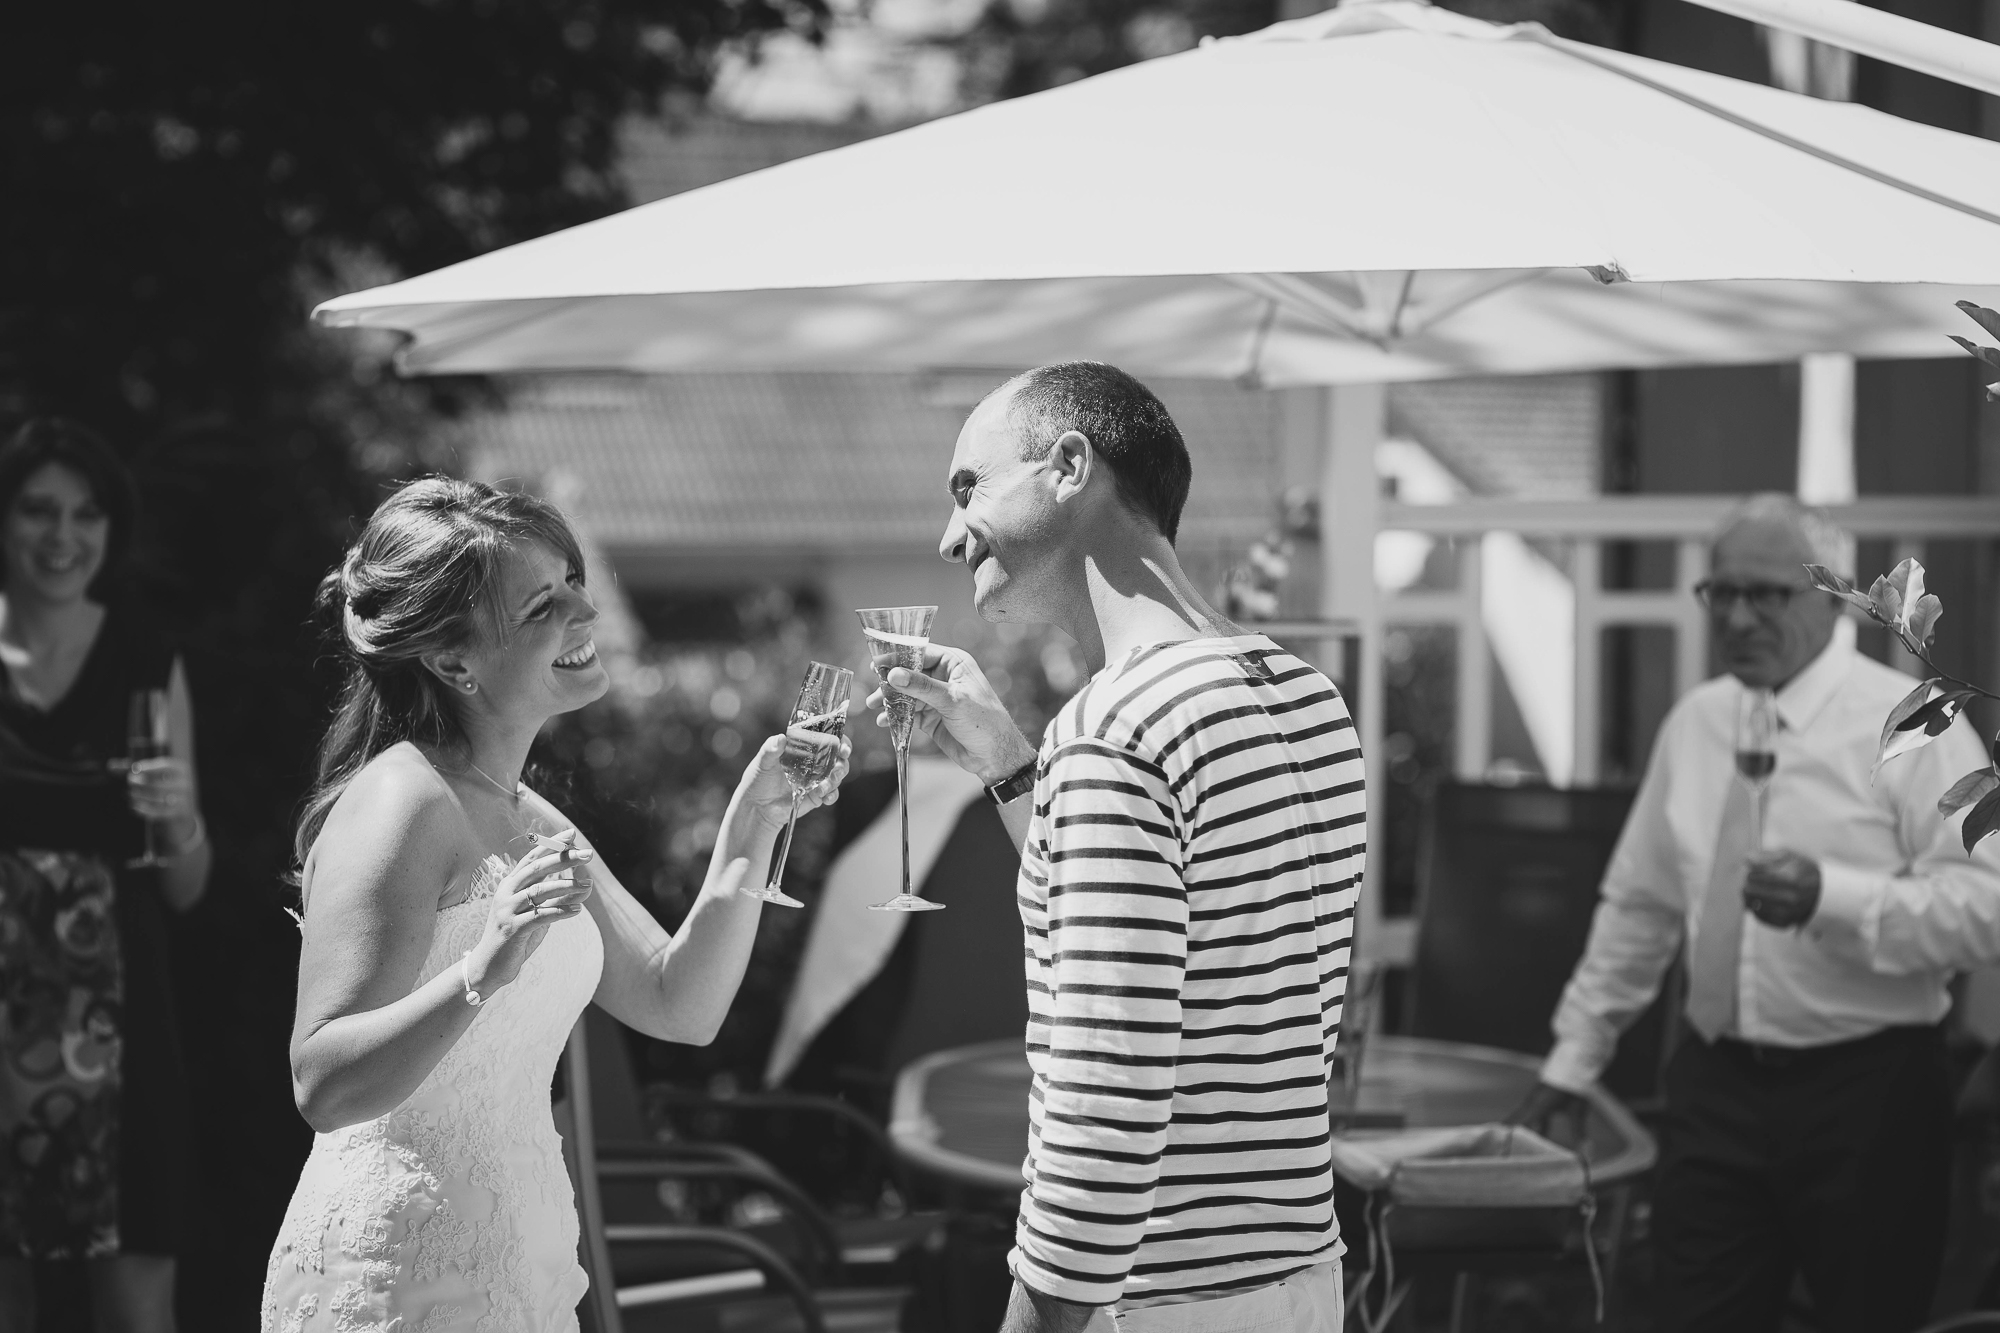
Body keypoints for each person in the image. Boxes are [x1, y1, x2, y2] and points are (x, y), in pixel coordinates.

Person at [260, 477, 846, 1332]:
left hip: (524, 1268)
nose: (586, 611)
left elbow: (679, 1001)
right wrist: (479, 970)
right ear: (452, 661)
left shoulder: (528, 813)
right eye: (544, 605)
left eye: (574, 582)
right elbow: (324, 1083)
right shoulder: (401, 804)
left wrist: (753, 823)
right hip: (399, 1279)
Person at [870, 362, 1363, 1333]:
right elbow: (1174, 937)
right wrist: (1010, 762)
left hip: (1157, 1295)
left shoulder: (1115, 728)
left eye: (968, 487)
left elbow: (1105, 1107)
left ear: (1067, 466)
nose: (948, 534)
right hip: (1298, 1277)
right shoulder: (1307, 698)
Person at [1514, 494, 2000, 1333]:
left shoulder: (1916, 725)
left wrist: (1832, 898)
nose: (1737, 617)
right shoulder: (1696, 723)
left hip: (1870, 1093)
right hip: (1716, 1087)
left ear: (1836, 596)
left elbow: (1987, 906)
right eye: (1722, 592)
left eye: (1766, 594)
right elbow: (1640, 906)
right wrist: (1572, 1060)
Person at [0, 418, 210, 1333]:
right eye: (37, 509)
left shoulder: (146, 659)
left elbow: (185, 885)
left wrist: (179, 818)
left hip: (118, 1023)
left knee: (134, 1307)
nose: (63, 534)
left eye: (86, 513)